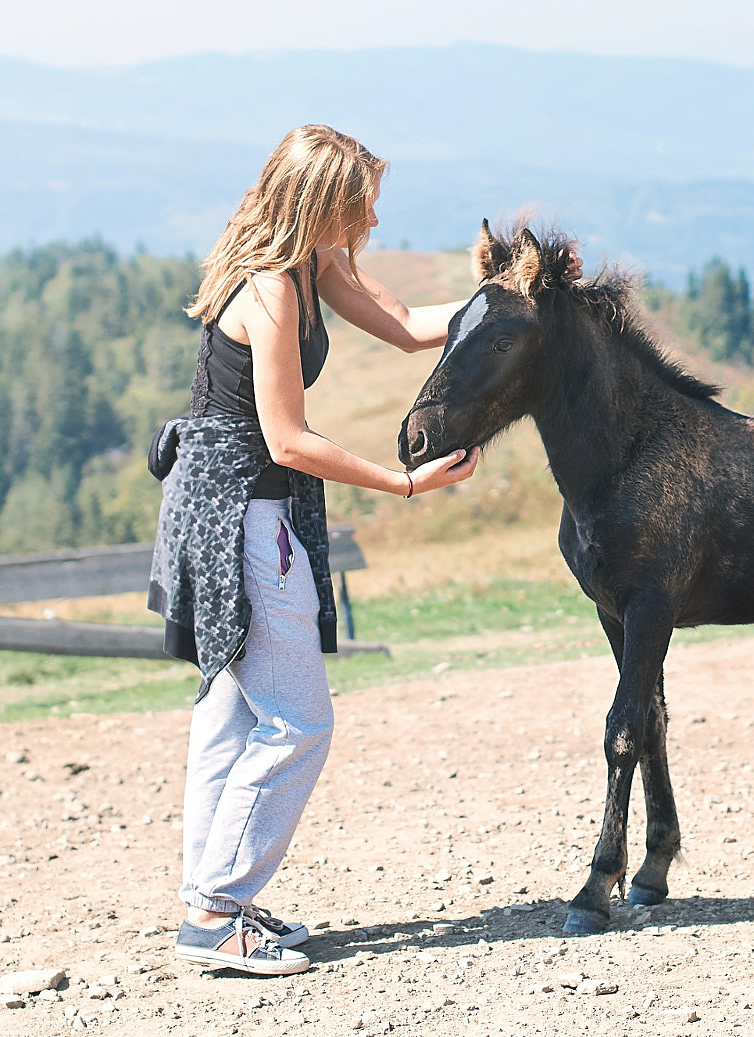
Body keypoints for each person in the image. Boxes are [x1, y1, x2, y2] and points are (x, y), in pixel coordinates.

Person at [146, 124, 577, 975]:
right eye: (363, 204)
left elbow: (411, 327)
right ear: (324, 204)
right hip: (241, 509)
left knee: (232, 712)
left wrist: (509, 301)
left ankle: (215, 898)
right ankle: (211, 914)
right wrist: (405, 484)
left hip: (249, 503)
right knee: (300, 717)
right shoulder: (269, 291)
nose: (375, 219)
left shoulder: (316, 265)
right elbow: (290, 440)